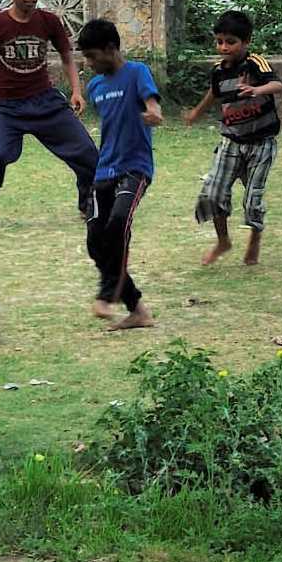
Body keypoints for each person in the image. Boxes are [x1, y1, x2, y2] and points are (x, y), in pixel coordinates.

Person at [0, 0, 98, 229]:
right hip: (8, 107)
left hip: (46, 101)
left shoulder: (48, 21)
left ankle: (88, 202)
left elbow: (67, 56)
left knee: (88, 153)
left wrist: (77, 91)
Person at [184, 8, 282, 267]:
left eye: (231, 42)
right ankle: (223, 241)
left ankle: (254, 239)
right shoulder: (219, 70)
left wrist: (256, 89)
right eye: (219, 41)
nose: (224, 47)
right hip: (231, 141)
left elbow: (278, 85)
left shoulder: (256, 64)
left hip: (261, 143)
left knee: (253, 200)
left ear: (246, 41)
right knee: (213, 194)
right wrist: (196, 111)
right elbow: (213, 93)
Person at [78, 17, 161, 331]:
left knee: (117, 225)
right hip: (105, 169)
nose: (89, 63)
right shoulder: (96, 85)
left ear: (111, 49)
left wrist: (153, 112)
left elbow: (152, 104)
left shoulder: (137, 72)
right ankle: (137, 308)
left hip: (135, 168)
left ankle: (106, 294)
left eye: (92, 56)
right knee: (95, 240)